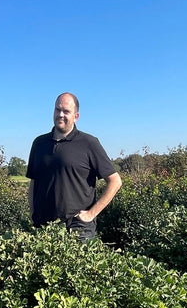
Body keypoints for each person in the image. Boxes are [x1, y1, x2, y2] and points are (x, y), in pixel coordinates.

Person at [26, 93, 122, 240]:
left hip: (77, 229)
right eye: (57, 110)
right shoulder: (39, 143)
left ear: (76, 116)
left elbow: (115, 181)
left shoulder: (89, 143)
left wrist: (91, 214)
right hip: (43, 228)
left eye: (66, 111)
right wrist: (33, 213)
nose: (60, 115)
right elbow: (34, 181)